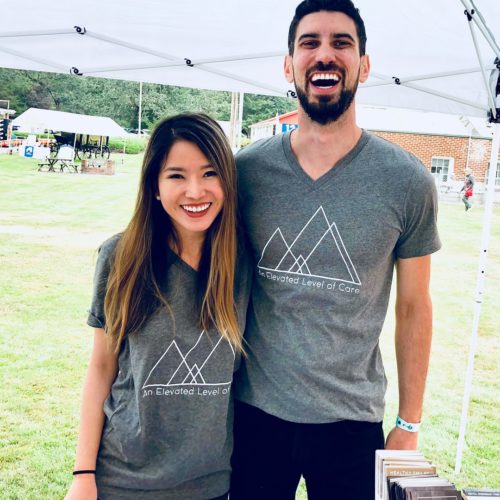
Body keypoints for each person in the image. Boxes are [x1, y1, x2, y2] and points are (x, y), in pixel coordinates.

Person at [230, 1, 441, 499]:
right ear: (289, 65)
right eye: (310, 43)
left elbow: (414, 306)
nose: (325, 55)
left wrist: (408, 422)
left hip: (352, 422)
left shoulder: (407, 181)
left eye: (341, 43)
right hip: (254, 414)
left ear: (365, 65)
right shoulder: (245, 173)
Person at [65, 113, 251, 500]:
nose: (195, 191)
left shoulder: (244, 263)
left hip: (211, 485)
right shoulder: (120, 257)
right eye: (177, 175)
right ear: (154, 185)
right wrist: (83, 474)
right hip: (124, 482)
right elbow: (101, 368)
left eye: (210, 173)